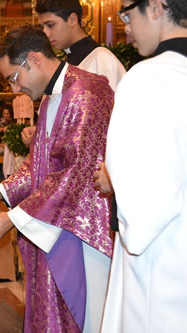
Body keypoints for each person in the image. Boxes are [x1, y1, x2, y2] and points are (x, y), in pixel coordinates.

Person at [0, 26, 115, 332]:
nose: (14, 90)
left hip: (83, 232)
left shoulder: (86, 92)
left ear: (33, 59)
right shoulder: (50, 100)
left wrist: (11, 219)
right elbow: (39, 167)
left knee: (85, 317)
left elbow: (76, 174)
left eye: (13, 78)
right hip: (54, 223)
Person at [101, 0, 187, 331]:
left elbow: (140, 219)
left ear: (155, 7)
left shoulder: (148, 78)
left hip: (161, 268)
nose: (125, 25)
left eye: (127, 13)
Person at [20, 0, 127, 147]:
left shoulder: (101, 60)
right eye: (42, 27)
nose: (45, 33)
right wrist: (39, 131)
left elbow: (114, 124)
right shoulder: (60, 65)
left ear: (72, 19)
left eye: (50, 25)